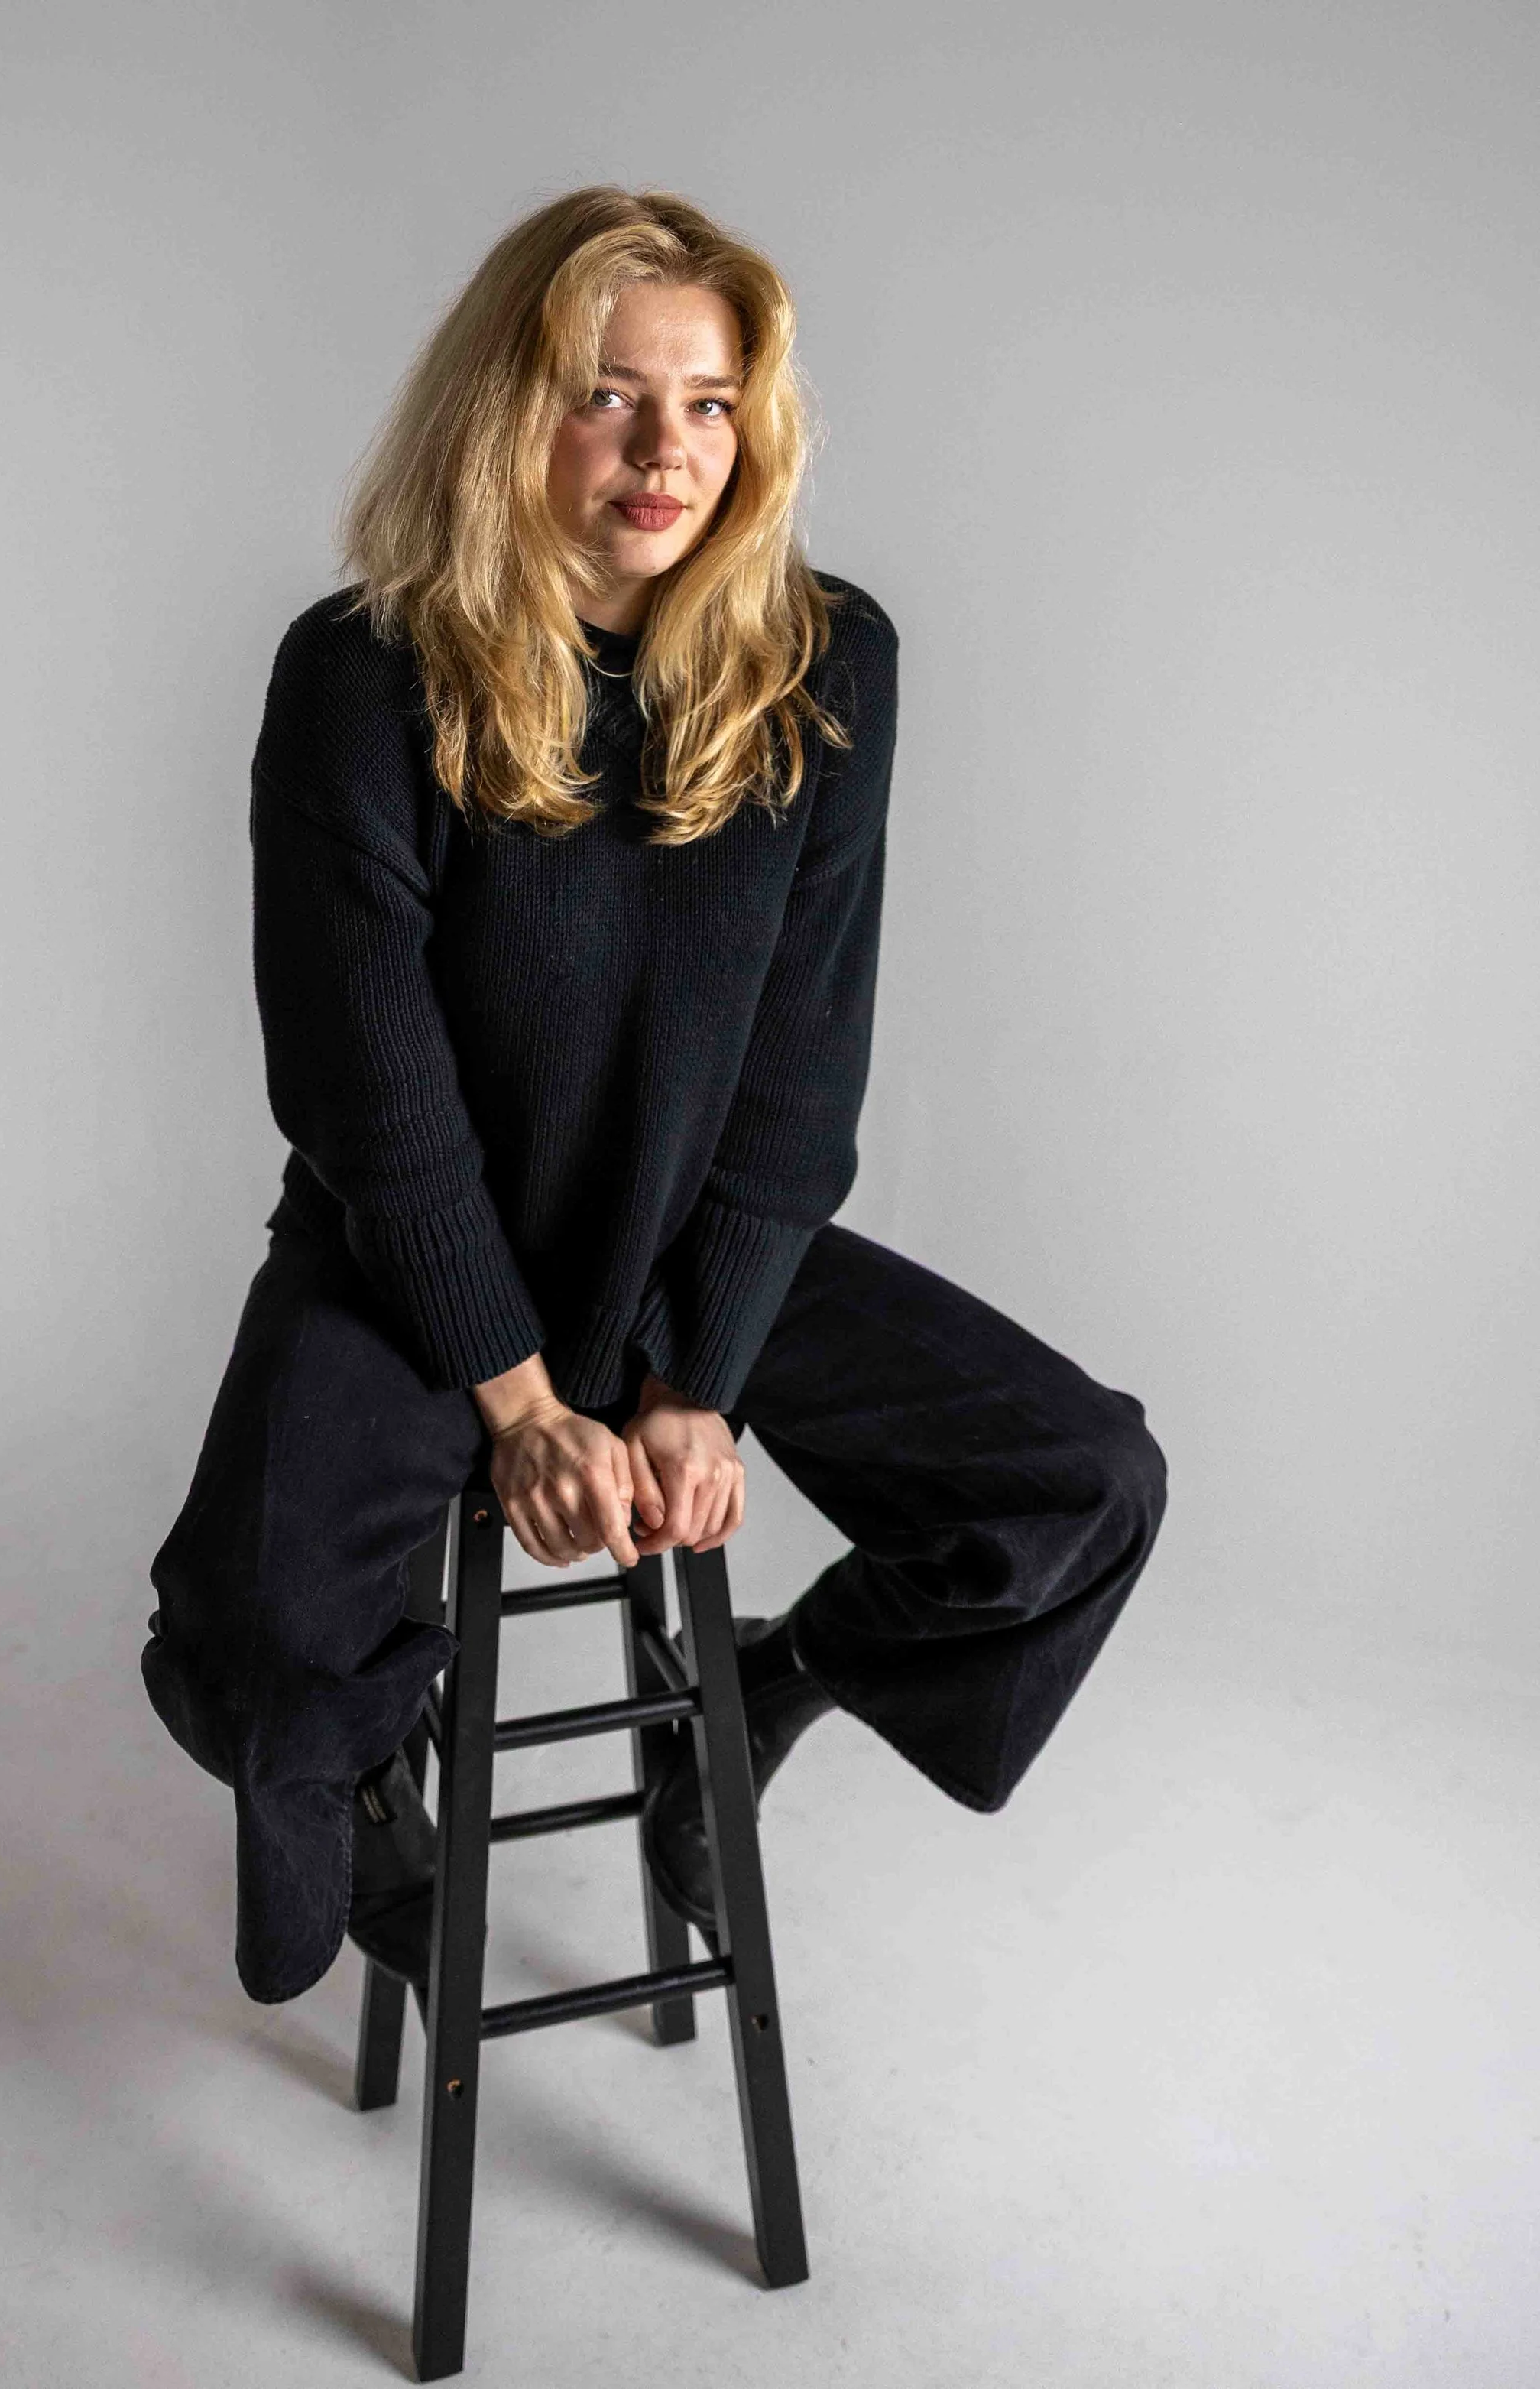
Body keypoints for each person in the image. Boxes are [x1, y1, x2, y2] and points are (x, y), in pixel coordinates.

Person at [141, 184, 1169, 2007]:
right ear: (502, 410)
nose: (664, 448)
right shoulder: (359, 676)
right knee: (246, 1632)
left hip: (689, 1239)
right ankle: (373, 1761)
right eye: (607, 393)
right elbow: (364, 1088)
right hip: (410, 1256)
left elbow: (799, 1066)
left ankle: (756, 1699)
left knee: (1075, 1476)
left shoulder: (823, 661)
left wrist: (698, 1375)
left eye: (708, 402)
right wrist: (524, 1399)